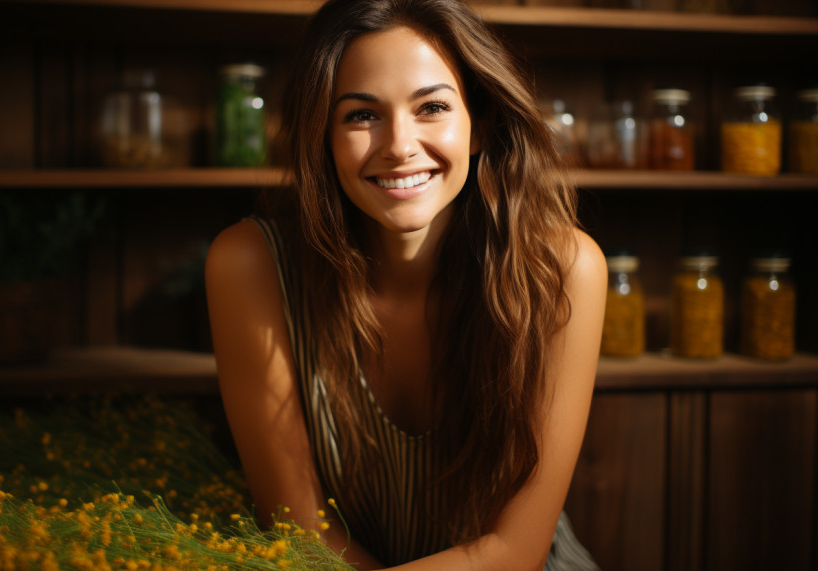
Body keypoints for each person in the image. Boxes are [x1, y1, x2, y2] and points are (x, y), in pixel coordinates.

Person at [204, 0, 606, 569]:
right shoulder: (249, 265)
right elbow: (300, 531)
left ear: (479, 123)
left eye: (432, 107)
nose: (398, 144)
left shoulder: (564, 270)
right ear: (322, 134)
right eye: (361, 115)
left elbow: (514, 552)